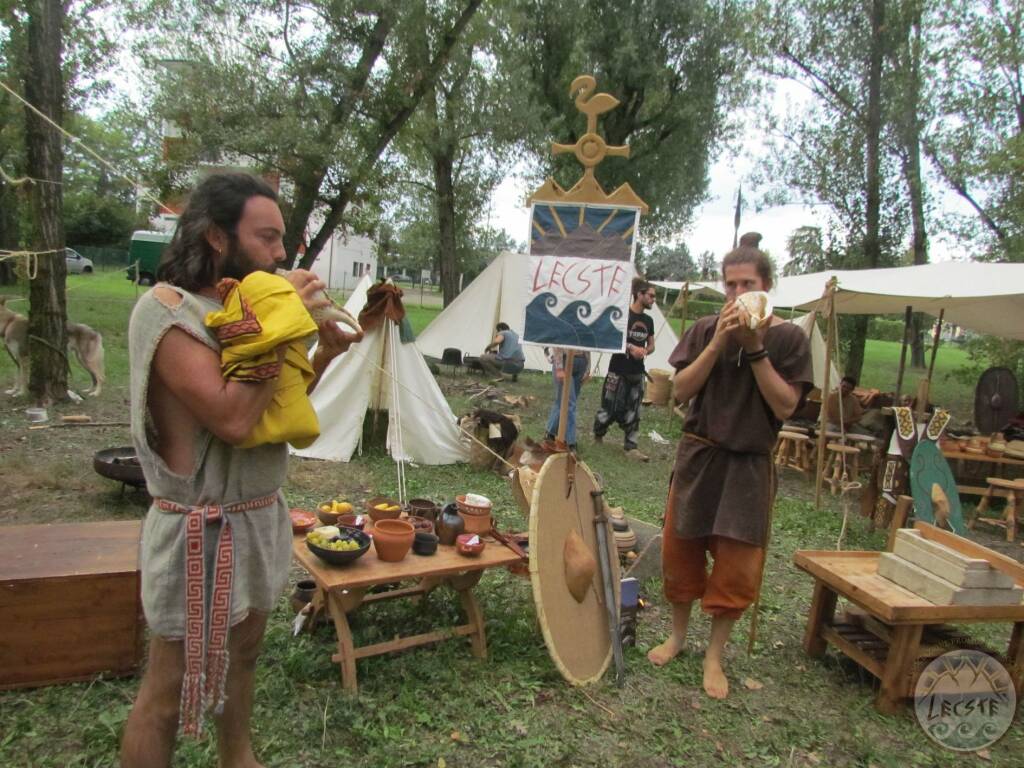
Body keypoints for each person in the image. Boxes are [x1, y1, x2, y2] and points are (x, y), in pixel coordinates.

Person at [120, 173, 360, 768]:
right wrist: (282, 322)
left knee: (245, 655)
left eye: (282, 240)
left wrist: (321, 351)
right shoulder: (167, 313)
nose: (282, 254)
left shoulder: (242, 310)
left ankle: (238, 759)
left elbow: (275, 410)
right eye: (268, 238)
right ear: (216, 237)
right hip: (197, 529)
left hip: (257, 516)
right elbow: (232, 418)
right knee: (169, 687)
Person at [646, 232, 812, 699]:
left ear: (766, 286)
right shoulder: (703, 329)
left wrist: (755, 347)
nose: (737, 295)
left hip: (749, 465)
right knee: (681, 551)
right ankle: (678, 637)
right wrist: (720, 341)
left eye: (747, 285)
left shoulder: (788, 339)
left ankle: (714, 656)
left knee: (737, 566)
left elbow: (784, 407)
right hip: (700, 455)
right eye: (730, 285)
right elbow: (680, 392)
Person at [593, 278, 656, 460]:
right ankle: (598, 435)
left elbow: (652, 345)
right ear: (639, 295)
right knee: (610, 407)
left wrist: (645, 350)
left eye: (654, 297)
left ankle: (631, 447)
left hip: (637, 372)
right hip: (617, 371)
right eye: (651, 296)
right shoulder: (622, 316)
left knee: (634, 410)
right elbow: (610, 338)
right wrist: (630, 347)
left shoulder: (648, 320)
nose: (653, 299)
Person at [544, 346, 591, 449]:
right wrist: (559, 367)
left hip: (581, 360)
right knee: (569, 403)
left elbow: (587, 342)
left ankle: (550, 432)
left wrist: (588, 367)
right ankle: (570, 442)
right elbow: (559, 341)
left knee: (562, 402)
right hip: (565, 360)